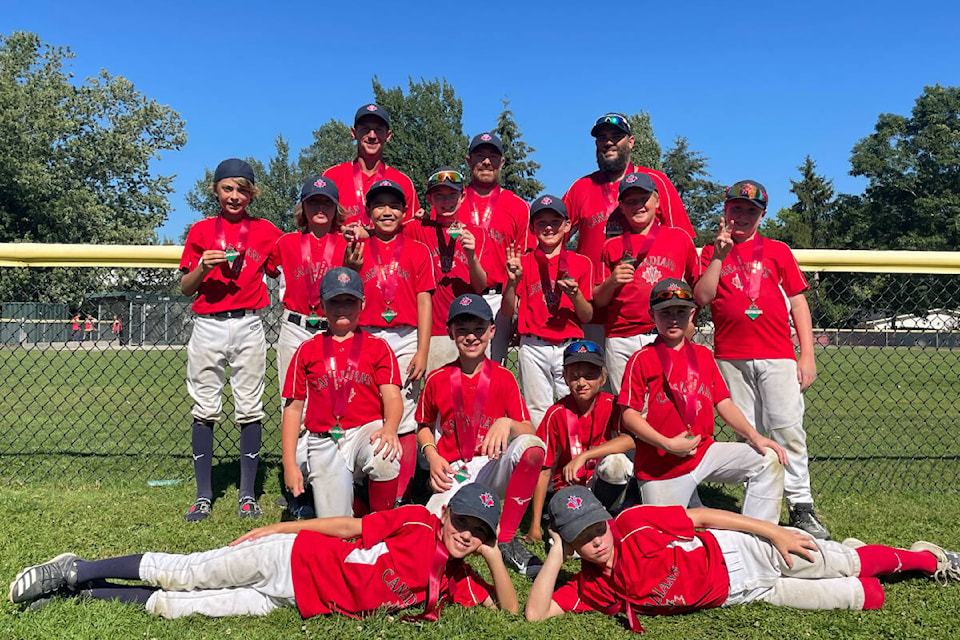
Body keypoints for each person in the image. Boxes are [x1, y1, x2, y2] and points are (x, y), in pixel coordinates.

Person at [9, 483, 519, 622]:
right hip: (290, 559)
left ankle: (84, 594)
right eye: (464, 521)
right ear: (447, 512)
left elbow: (513, 611)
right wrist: (276, 528)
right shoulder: (416, 522)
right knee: (184, 574)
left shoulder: (455, 579)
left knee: (179, 607)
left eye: (479, 532)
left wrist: (493, 557)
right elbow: (347, 525)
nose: (467, 535)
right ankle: (78, 569)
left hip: (293, 601)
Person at [525, 486, 960, 632]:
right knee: (866, 597)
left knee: (849, 564)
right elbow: (535, 614)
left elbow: (704, 516)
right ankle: (856, 553)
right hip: (749, 593)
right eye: (581, 537)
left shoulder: (635, 523)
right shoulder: (590, 586)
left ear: (607, 519)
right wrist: (557, 552)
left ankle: (931, 559)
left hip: (744, 552)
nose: (597, 541)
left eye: (597, 527)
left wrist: (774, 533)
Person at [695, 180, 830, 539]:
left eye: (750, 211)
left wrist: (807, 354)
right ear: (725, 210)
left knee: (787, 429)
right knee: (749, 434)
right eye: (736, 208)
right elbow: (703, 296)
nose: (741, 216)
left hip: (777, 354)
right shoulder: (710, 251)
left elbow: (799, 302)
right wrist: (719, 256)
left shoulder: (777, 251)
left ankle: (801, 505)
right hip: (730, 356)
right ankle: (759, 506)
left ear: (762, 215)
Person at [619, 278, 786, 523]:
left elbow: (724, 403)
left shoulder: (702, 355)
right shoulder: (642, 358)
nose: (674, 319)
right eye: (665, 312)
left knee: (766, 460)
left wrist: (755, 436)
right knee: (669, 541)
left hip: (703, 451)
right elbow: (628, 415)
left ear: (692, 314)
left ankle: (758, 540)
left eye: (681, 311)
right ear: (651, 315)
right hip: (661, 465)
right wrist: (666, 443)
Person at [179, 158, 283, 521]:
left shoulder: (268, 231)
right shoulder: (201, 230)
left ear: (252, 193)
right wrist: (202, 268)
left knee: (250, 407)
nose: (235, 196)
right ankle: (204, 494)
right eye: (228, 188)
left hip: (249, 324)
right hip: (207, 323)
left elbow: (282, 266)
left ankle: (247, 494)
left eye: (242, 189)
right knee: (204, 407)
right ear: (216, 190)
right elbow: (185, 287)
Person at [416, 294, 546, 578]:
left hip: (492, 463)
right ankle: (479, 532)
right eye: (462, 329)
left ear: (491, 330)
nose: (471, 336)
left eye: (478, 328)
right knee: (429, 531)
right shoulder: (437, 378)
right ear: (450, 333)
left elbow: (530, 434)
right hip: (455, 469)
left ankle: (508, 537)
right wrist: (432, 454)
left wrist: (507, 422)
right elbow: (423, 425)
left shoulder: (503, 377)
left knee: (531, 447)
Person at [563, 112, 694, 345]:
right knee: (598, 380)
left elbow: (686, 250)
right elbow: (551, 237)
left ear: (631, 141)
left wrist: (690, 314)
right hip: (593, 311)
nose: (609, 142)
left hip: (651, 317)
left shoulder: (656, 182)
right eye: (602, 137)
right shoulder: (581, 187)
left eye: (617, 136)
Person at [282, 267, 402, 518]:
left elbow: (391, 396)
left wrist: (390, 428)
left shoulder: (378, 347)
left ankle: (381, 522)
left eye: (350, 301)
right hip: (324, 437)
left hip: (365, 430)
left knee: (384, 457)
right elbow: (293, 410)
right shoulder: (307, 350)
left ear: (362, 304)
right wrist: (289, 463)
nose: (342, 308)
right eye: (334, 301)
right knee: (335, 529)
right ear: (322, 305)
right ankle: (357, 500)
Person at [267, 176, 351, 519]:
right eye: (313, 202)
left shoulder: (344, 242)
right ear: (302, 208)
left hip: (334, 330)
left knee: (335, 405)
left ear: (336, 209)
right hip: (296, 326)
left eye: (326, 203)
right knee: (295, 407)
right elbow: (264, 268)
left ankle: (335, 480)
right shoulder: (285, 242)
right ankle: (297, 490)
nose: (320, 209)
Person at [351, 179, 436, 503]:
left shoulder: (417, 250)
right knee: (368, 408)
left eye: (394, 206)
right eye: (379, 205)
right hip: (368, 334)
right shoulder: (359, 248)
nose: (387, 212)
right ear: (368, 212)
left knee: (406, 414)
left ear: (405, 211)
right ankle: (365, 485)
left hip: (404, 336)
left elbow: (424, 301)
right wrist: (351, 266)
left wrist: (423, 350)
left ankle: (400, 495)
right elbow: (347, 296)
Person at [593, 173, 699, 393]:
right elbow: (599, 300)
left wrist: (690, 322)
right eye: (630, 201)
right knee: (628, 405)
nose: (638, 206)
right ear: (621, 207)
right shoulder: (611, 246)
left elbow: (697, 287)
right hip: (621, 336)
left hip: (666, 333)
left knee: (667, 402)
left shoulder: (679, 238)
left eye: (644, 199)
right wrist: (612, 282)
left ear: (657, 201)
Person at [528, 340, 634, 543]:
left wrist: (585, 456)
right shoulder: (556, 413)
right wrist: (534, 526)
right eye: (574, 377)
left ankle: (606, 515)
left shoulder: (612, 405)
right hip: (567, 487)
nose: (582, 383)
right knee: (564, 539)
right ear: (565, 378)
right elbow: (543, 469)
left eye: (590, 376)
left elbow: (630, 440)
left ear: (603, 378)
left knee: (617, 463)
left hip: (598, 482)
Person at [502, 195, 593, 426]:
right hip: (534, 345)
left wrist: (576, 296)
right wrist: (512, 282)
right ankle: (543, 459)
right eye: (541, 223)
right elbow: (506, 311)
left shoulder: (581, 263)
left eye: (555, 221)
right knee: (536, 411)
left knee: (574, 406)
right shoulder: (523, 262)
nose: (549, 228)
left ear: (567, 225)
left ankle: (573, 457)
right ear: (532, 228)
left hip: (569, 345)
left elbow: (587, 316)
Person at [404, 167, 488, 373]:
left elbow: (480, 286)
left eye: (452, 194)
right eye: (439, 195)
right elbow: (387, 229)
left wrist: (471, 256)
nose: (446, 201)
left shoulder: (477, 234)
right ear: (430, 199)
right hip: (431, 331)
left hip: (466, 331)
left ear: (462, 197)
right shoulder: (417, 229)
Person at [462, 132, 531, 363]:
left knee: (493, 369)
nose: (486, 162)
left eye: (492, 156)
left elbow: (524, 264)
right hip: (458, 294)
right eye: (480, 156)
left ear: (502, 162)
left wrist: (519, 311)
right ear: (468, 160)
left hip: (498, 298)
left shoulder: (518, 206)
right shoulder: (452, 201)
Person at [322, 103, 419, 227]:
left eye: (378, 130)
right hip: (343, 246)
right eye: (365, 130)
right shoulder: (332, 176)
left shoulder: (402, 182)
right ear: (353, 133)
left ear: (387, 136)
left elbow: (410, 231)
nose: (372, 136)